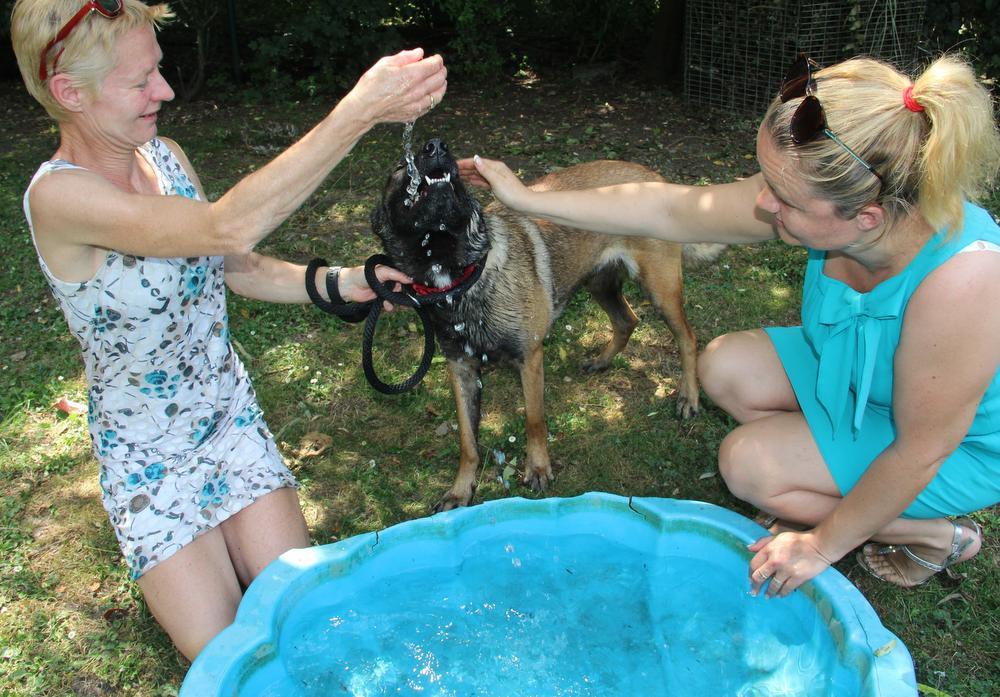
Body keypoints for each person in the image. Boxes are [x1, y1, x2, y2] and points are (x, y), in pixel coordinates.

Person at [459, 52, 1000, 598]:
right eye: (766, 179)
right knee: (722, 365)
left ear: (865, 218)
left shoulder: (965, 284)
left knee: (748, 469)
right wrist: (526, 198)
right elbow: (671, 212)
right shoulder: (846, 199)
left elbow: (919, 450)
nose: (763, 202)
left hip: (944, 445)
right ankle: (821, 477)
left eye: (783, 197)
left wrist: (820, 544)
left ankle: (931, 536)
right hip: (858, 378)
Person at [10, 0, 446, 659]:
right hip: (146, 461)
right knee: (233, 662)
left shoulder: (165, 157)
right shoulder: (58, 200)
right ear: (69, 92)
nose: (166, 90)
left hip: (229, 422)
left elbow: (230, 262)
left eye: (158, 69)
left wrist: (344, 281)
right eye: (141, 82)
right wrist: (358, 111)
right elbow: (227, 226)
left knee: (309, 625)